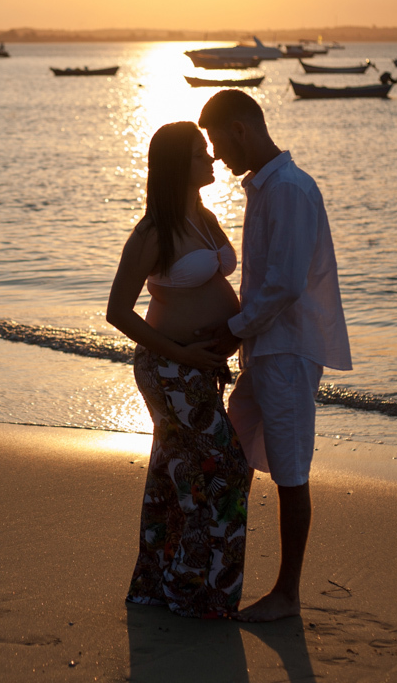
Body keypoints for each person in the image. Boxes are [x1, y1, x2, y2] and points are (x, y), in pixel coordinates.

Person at [196, 90, 351, 622]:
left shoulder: (288, 189)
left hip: (286, 350)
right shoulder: (266, 190)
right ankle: (218, 565)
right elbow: (263, 278)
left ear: (240, 129)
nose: (217, 156)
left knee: (289, 471)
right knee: (231, 451)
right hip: (267, 349)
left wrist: (233, 329)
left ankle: (287, 594)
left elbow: (284, 284)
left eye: (218, 141)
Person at [106, 121, 252, 619]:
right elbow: (118, 312)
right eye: (199, 154)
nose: (211, 160)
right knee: (225, 468)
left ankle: (167, 588)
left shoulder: (206, 219)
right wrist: (185, 353)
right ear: (176, 166)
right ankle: (202, 588)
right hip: (168, 368)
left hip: (197, 366)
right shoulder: (153, 231)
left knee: (177, 476)